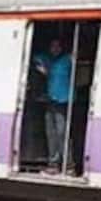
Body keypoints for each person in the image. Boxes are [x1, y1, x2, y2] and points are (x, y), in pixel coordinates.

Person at [32, 36, 74, 173]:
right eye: (52, 47)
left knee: (63, 133)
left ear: (62, 48)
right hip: (50, 101)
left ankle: (68, 165)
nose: (55, 49)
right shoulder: (49, 61)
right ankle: (53, 164)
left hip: (63, 101)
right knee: (51, 133)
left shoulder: (67, 60)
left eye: (58, 46)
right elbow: (35, 57)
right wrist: (41, 67)